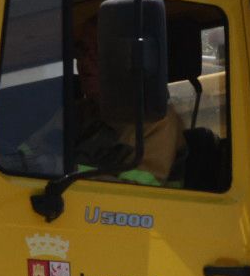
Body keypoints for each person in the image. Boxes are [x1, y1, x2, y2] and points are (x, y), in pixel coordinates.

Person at [71, 12, 184, 186]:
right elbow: (27, 153)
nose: (85, 61)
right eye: (82, 50)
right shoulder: (77, 113)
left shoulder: (156, 119)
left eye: (99, 50)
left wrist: (64, 169)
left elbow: (138, 192)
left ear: (126, 59)